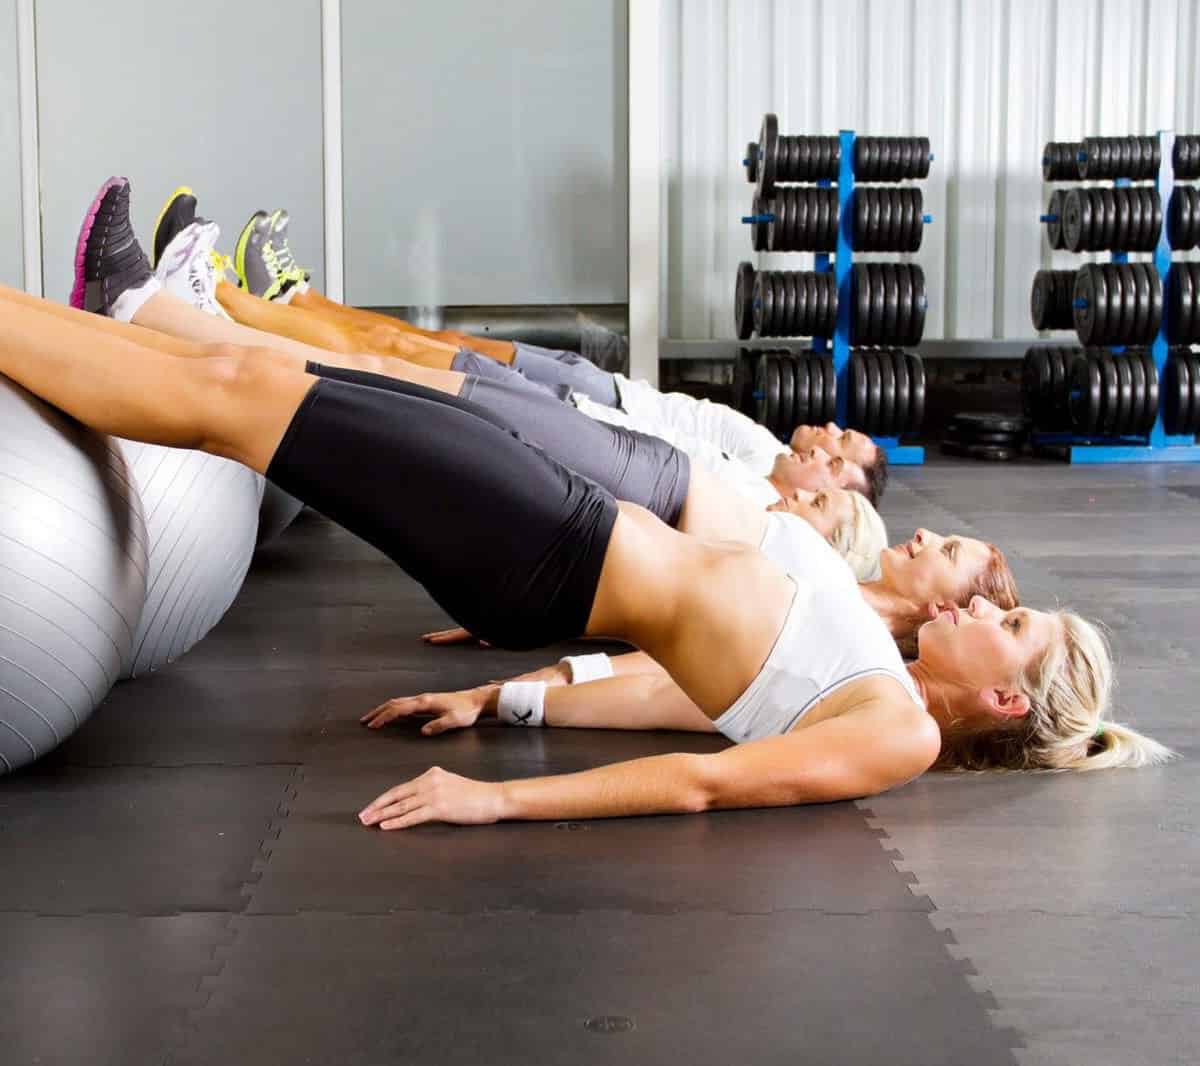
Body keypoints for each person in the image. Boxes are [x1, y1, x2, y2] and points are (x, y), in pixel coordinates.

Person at [1, 177, 1167, 834]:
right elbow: (673, 697)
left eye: (1014, 622)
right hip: (566, 531)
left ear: (1004, 691)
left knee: (242, 396)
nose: (994, 605)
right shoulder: (879, 677)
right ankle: (130, 310)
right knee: (265, 383)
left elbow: (704, 782)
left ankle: (123, 312)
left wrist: (501, 808)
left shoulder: (899, 734)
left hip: (552, 547)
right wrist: (499, 699)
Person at [176, 196, 887, 502]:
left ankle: (224, 304)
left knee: (390, 360)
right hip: (591, 396)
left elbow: (650, 462)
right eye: (840, 438)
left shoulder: (752, 491)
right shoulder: (764, 450)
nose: (826, 442)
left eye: (837, 458)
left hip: (579, 413)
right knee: (408, 345)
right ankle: (279, 301)